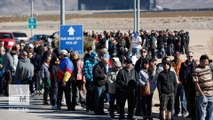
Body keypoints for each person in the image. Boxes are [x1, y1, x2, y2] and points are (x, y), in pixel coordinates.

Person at [193, 55, 213, 120]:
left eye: (207, 62)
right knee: (202, 113)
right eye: (205, 62)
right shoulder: (196, 71)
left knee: (210, 112)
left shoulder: (208, 68)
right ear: (201, 61)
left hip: (211, 94)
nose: (206, 64)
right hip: (202, 95)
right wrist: (202, 94)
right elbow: (196, 83)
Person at [179, 51, 198, 120]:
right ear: (186, 56)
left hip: (194, 85)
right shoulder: (183, 64)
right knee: (188, 101)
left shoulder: (196, 64)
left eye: (191, 56)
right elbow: (180, 74)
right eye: (188, 56)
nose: (190, 58)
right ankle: (190, 114)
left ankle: (195, 115)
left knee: (194, 101)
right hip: (187, 85)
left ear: (193, 57)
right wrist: (183, 81)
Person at [172, 52, 188, 117]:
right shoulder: (171, 63)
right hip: (174, 83)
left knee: (183, 98)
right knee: (176, 98)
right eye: (175, 55)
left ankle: (184, 111)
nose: (176, 56)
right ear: (174, 55)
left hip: (181, 83)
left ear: (180, 55)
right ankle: (177, 111)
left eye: (178, 55)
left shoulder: (183, 62)